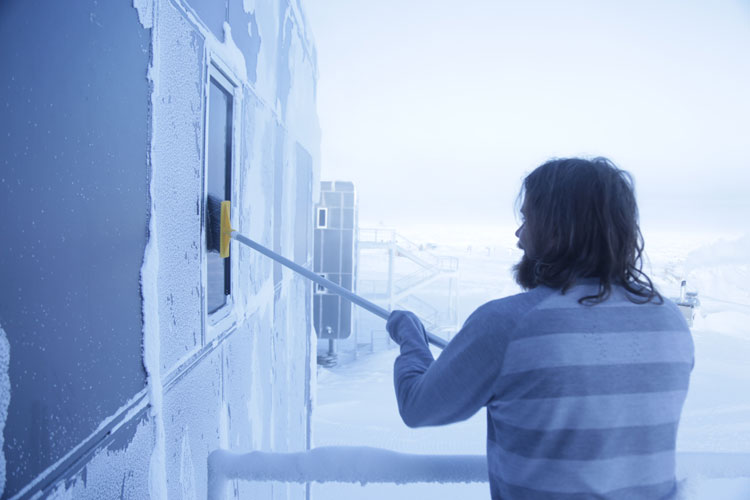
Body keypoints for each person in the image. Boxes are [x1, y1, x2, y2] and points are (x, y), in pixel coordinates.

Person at [386, 157, 694, 499]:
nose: (519, 236)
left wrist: (410, 337)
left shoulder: (510, 324)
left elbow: (418, 407)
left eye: (527, 220)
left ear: (558, 230)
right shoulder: (670, 321)